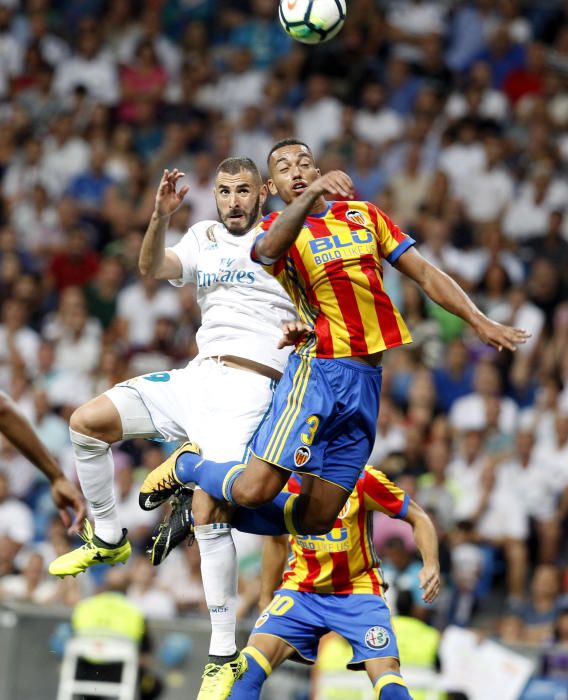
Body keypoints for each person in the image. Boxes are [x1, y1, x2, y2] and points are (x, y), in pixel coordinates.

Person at [144, 138, 529, 543]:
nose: (296, 170)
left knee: (317, 519)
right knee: (255, 489)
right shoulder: (276, 229)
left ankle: (209, 506)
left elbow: (426, 274)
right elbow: (268, 253)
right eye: (284, 167)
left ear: (317, 168)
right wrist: (310, 195)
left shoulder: (365, 216)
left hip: (366, 381)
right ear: (271, 187)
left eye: (304, 163)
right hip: (318, 372)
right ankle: (187, 465)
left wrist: (478, 319)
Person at [48, 159, 298, 698]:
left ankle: (222, 654)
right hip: (195, 377)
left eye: (244, 191)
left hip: (250, 388)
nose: (233, 200)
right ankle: (110, 537)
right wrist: (160, 216)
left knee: (211, 508)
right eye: (225, 191)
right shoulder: (203, 234)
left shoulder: (286, 238)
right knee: (85, 423)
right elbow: (151, 266)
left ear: (263, 195)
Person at [151, 464, 439, 699]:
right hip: (301, 591)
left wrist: (431, 564)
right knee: (245, 671)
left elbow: (418, 517)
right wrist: (266, 599)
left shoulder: (361, 479)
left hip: (357, 590)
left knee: (388, 681)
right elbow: (276, 543)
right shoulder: (281, 483)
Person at [0, 390, 85, 533]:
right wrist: (57, 477)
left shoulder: (56, 426)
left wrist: (56, 477)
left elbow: (3, 410)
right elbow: (3, 410)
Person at [70, 590, 163, 700]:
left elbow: (72, 643)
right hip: (121, 675)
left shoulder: (84, 607)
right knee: (154, 686)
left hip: (84, 674)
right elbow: (145, 657)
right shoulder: (134, 611)